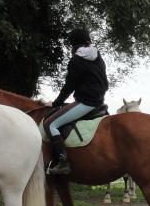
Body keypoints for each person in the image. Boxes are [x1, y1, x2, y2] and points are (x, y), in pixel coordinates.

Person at [46, 28, 108, 176]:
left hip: (86, 102)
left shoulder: (76, 60)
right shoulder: (99, 57)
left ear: (73, 45)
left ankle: (63, 162)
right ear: (88, 41)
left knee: (50, 124)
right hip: (99, 100)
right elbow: (104, 82)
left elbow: (69, 86)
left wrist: (56, 103)